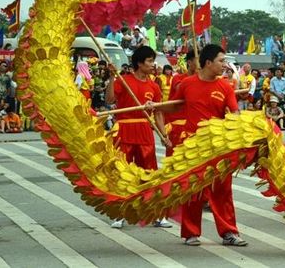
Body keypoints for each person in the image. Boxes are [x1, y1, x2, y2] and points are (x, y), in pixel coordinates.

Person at [167, 44, 247, 247]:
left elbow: (235, 113)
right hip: (193, 145)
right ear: (208, 62)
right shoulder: (186, 84)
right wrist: (153, 107)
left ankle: (229, 232)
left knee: (222, 190)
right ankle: (191, 233)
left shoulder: (225, 87)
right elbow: (175, 105)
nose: (224, 65)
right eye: (221, 61)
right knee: (192, 190)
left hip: (217, 145)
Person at [105, 46, 171, 229]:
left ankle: (157, 214)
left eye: (152, 60)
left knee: (149, 173)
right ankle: (120, 213)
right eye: (149, 61)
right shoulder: (123, 81)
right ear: (139, 63)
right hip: (124, 130)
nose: (153, 64)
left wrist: (164, 135)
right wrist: (112, 77)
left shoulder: (154, 86)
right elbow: (110, 100)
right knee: (122, 173)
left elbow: (158, 114)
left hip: (144, 131)